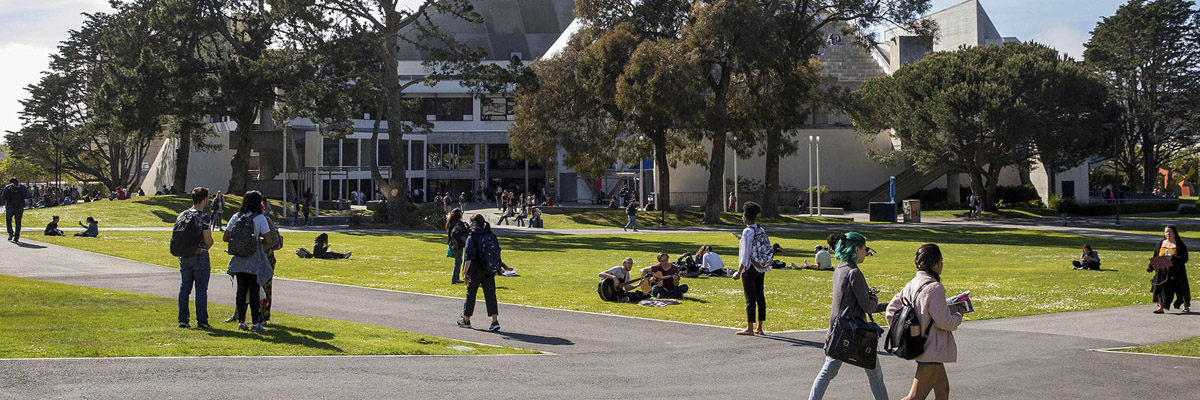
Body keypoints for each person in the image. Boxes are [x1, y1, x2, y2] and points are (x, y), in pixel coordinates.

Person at [809, 232, 889, 400]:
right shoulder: (854, 273)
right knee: (875, 374)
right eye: (865, 249)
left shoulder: (840, 269)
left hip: (839, 329)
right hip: (856, 331)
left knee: (828, 372)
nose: (866, 252)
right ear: (856, 249)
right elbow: (868, 306)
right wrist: (884, 302)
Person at [887, 244, 963, 400]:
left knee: (943, 392)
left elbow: (890, 311)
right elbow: (944, 322)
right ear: (934, 264)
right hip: (932, 349)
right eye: (941, 261)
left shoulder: (911, 284)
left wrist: (906, 332)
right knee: (915, 397)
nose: (943, 264)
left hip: (921, 346)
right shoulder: (935, 288)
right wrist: (959, 315)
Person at [222, 191, 274, 332]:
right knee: (254, 290)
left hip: (239, 258)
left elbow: (225, 237)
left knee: (241, 290)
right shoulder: (260, 218)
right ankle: (255, 323)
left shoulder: (236, 217)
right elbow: (269, 240)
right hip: (253, 258)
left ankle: (241, 322)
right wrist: (257, 240)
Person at [175, 187, 215, 329]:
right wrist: (210, 243)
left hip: (184, 256)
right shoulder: (203, 217)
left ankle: (183, 320)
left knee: (184, 289)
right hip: (199, 255)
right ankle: (202, 321)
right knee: (201, 290)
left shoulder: (182, 215)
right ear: (204, 199)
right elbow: (208, 241)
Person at [457, 214, 502, 332]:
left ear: (474, 223)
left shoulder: (472, 237)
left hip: (475, 270)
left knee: (471, 294)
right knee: (490, 294)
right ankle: (494, 321)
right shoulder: (490, 235)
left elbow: (469, 257)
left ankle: (466, 319)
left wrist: (464, 272)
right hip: (488, 269)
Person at [733, 201, 771, 336]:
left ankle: (749, 327)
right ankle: (760, 327)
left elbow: (745, 254)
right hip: (760, 266)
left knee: (750, 298)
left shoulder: (747, 232)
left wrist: (739, 271)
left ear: (745, 216)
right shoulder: (760, 229)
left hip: (749, 268)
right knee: (760, 295)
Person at [1149, 225, 1190, 314]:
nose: (1168, 234)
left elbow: (1184, 259)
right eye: (1166, 232)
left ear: (1174, 233)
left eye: (1170, 232)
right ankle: (1160, 307)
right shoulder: (1161, 243)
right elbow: (1156, 255)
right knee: (1159, 288)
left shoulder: (1179, 244)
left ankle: (1185, 305)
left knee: (1180, 289)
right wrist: (1151, 267)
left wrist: (1172, 258)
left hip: (1176, 270)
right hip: (1162, 269)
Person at [2, 177, 30, 243]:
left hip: (10, 206)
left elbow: (3, 196)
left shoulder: (8, 187)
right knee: (18, 222)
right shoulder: (22, 187)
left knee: (8, 220)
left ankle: (10, 233)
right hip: (19, 207)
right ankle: (17, 237)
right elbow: (27, 195)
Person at [446, 208, 468, 285]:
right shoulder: (460, 223)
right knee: (458, 262)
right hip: (458, 245)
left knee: (458, 261)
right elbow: (466, 232)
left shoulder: (450, 222)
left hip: (452, 244)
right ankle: (454, 279)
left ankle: (457, 278)